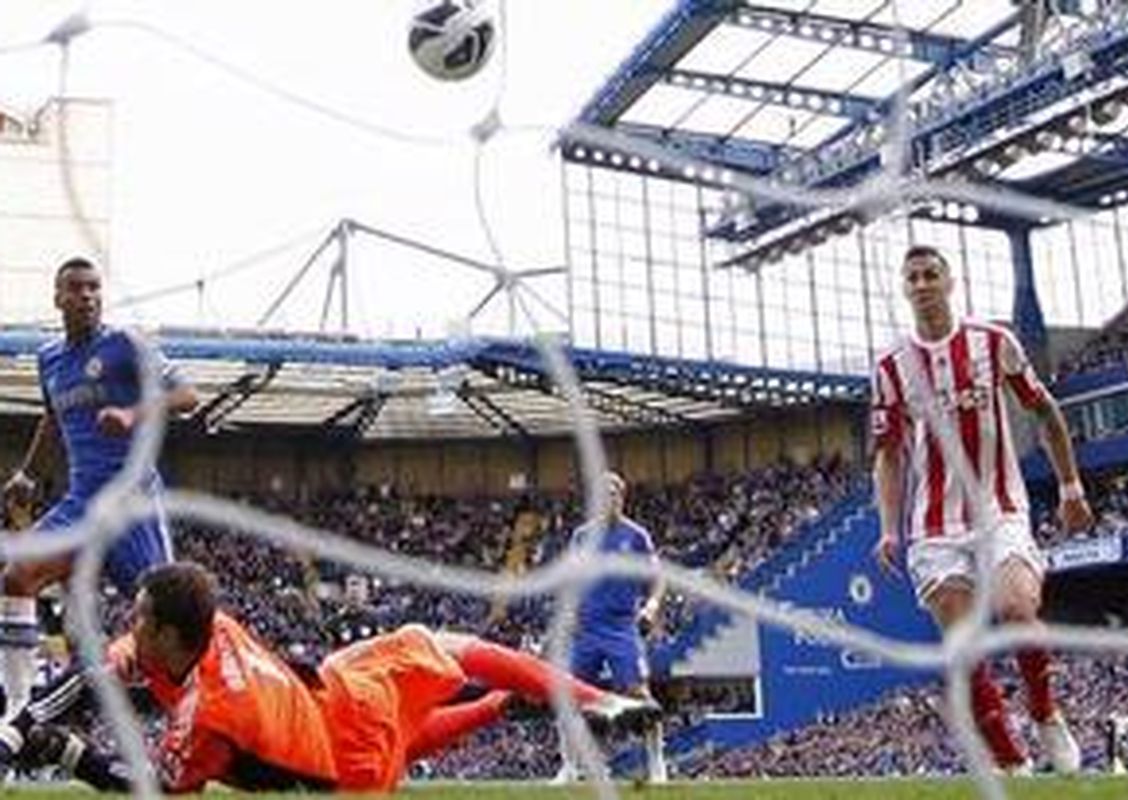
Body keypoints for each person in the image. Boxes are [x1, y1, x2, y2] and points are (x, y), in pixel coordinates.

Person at [0, 562, 659, 792]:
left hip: (348, 755)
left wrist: (69, 753)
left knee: (405, 739)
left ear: (169, 636)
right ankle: (584, 700)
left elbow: (145, 784)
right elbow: (94, 673)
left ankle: (564, 701)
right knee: (462, 654)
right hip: (342, 685)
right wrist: (18, 726)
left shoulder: (212, 716)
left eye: (139, 619)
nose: (128, 626)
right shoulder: (208, 625)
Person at [871, 245, 1093, 774]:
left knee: (1018, 609)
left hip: (1000, 506)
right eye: (913, 278)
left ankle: (1045, 714)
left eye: (931, 275)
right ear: (905, 290)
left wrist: (1070, 485)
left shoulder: (994, 343)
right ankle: (1008, 757)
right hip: (934, 524)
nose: (922, 284)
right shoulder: (890, 368)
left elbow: (1044, 409)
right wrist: (887, 528)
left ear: (951, 283)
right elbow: (886, 457)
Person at [0, 257, 198, 719]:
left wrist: (133, 414)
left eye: (94, 287)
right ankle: (16, 711)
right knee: (17, 576)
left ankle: (202, 713)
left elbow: (188, 396)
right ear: (58, 298)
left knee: (169, 618)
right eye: (76, 288)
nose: (87, 295)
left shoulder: (126, 344)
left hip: (133, 504)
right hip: (82, 501)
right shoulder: (48, 358)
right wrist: (26, 473)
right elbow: (52, 417)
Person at [554, 471, 668, 784]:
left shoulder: (636, 536)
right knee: (569, 696)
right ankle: (569, 767)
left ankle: (658, 764)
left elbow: (657, 578)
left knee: (639, 696)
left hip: (621, 628)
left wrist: (651, 607)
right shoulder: (581, 537)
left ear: (623, 497)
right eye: (603, 494)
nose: (609, 499)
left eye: (615, 493)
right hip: (588, 629)